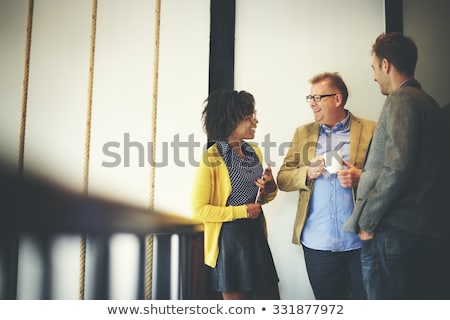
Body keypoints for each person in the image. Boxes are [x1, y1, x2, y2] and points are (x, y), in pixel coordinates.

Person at [343, 32, 450, 299]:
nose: (374, 76)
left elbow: (397, 168)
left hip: (394, 235)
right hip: (423, 232)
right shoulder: (430, 104)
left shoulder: (401, 100)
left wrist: (368, 221)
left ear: (386, 65)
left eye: (374, 68)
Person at [277, 72, 376, 299]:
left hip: (361, 242)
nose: (312, 104)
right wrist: (307, 172)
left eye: (317, 98)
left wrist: (360, 176)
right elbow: (283, 177)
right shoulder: (303, 133)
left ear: (337, 99)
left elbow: (390, 176)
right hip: (317, 244)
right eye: (309, 98)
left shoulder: (371, 129)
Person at [191, 89, 280, 300]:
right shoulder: (212, 157)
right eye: (249, 117)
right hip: (229, 242)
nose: (255, 122)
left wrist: (269, 188)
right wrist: (242, 211)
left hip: (256, 236)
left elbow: (261, 199)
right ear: (230, 119)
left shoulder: (254, 152)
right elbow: (198, 210)